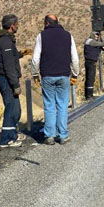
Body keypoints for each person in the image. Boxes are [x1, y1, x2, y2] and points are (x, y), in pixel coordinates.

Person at [31, 14, 80, 145]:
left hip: (47, 75)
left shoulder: (41, 36)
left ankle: (50, 136)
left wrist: (35, 74)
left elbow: (35, 58)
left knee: (49, 105)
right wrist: (75, 74)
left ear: (46, 23)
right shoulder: (68, 35)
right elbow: (75, 58)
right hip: (64, 75)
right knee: (63, 105)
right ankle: (63, 135)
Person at [0, 14, 25, 148]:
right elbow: (8, 66)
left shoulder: (7, 40)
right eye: (17, 24)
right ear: (12, 25)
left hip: (8, 79)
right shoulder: (6, 41)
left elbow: (10, 57)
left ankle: (13, 134)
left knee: (16, 109)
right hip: (7, 80)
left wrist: (20, 54)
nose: (18, 26)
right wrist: (15, 84)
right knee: (11, 108)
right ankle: (6, 140)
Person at [83, 32, 104, 99]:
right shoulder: (92, 42)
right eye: (96, 36)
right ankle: (89, 95)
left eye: (97, 36)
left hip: (88, 61)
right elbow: (103, 44)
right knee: (91, 78)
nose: (97, 37)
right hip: (91, 62)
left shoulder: (88, 41)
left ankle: (87, 94)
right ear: (92, 35)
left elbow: (99, 47)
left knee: (89, 78)